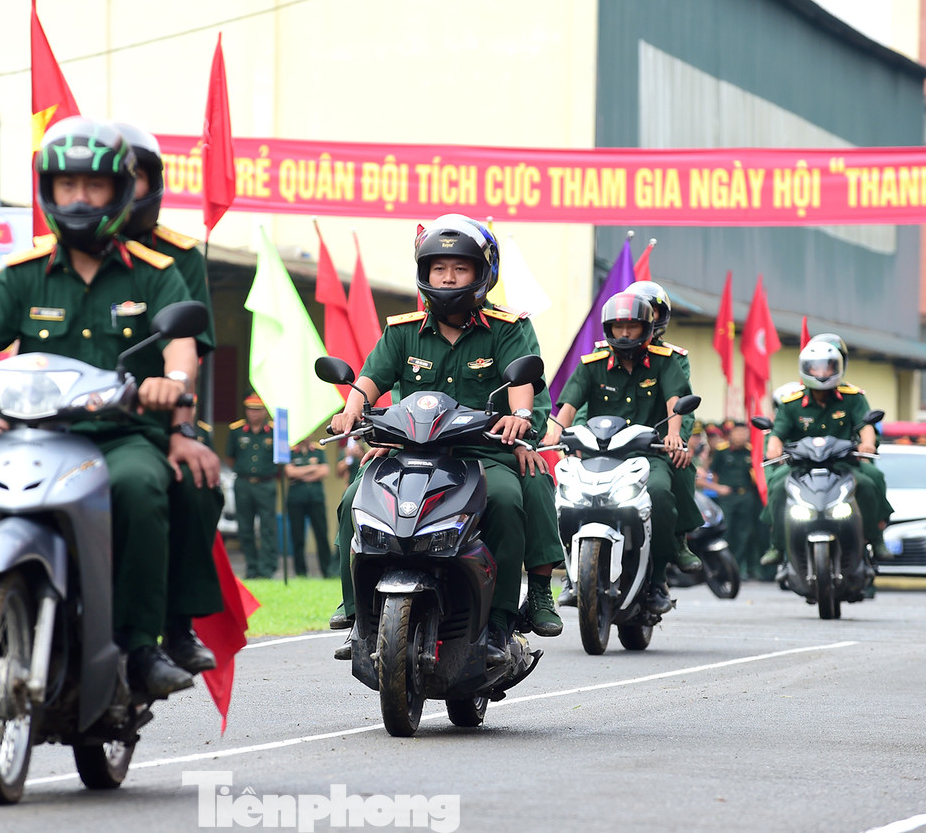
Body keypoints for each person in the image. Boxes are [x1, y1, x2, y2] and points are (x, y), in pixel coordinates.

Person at [0, 117, 198, 701]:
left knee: (143, 488)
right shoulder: (21, 274)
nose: (80, 198)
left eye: (93, 186)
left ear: (119, 192)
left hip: (119, 437)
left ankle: (140, 646)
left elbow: (181, 349)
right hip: (32, 433)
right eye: (68, 187)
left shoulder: (155, 273)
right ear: (49, 192)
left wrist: (173, 382)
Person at [328, 214, 550, 663]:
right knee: (352, 499)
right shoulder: (402, 329)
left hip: (480, 454)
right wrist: (351, 410)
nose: (448, 277)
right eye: (439, 268)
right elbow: (371, 378)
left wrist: (521, 417)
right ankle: (358, 616)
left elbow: (522, 381)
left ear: (482, 274)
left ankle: (505, 621)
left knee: (508, 500)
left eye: (460, 268)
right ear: (424, 273)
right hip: (412, 452)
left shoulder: (508, 328)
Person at [116, 121, 221, 674]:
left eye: (136, 178)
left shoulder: (177, 260)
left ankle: (176, 623)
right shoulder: (49, 257)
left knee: (196, 483)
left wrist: (181, 425)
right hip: (62, 412)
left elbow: (190, 352)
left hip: (150, 415)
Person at [547, 291, 691, 615]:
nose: (624, 334)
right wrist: (556, 434)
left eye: (632, 327)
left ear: (647, 328)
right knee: (566, 497)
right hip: (599, 455)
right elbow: (566, 408)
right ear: (607, 328)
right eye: (618, 326)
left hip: (647, 455)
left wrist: (673, 434)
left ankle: (658, 579)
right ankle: (572, 575)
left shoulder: (664, 362)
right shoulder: (591, 364)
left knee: (660, 494)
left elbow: (675, 403)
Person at [759, 341, 890, 572]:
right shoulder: (792, 401)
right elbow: (777, 433)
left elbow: (865, 425)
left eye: (827, 367)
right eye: (815, 368)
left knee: (872, 480)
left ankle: (876, 539)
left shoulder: (853, 397)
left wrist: (868, 444)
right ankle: (777, 545)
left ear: (837, 368)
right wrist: (774, 448)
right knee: (778, 485)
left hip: (844, 464)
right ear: (805, 369)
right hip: (801, 466)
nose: (821, 373)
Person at [227, 395, 281, 579]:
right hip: (243, 483)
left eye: (257, 409)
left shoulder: (274, 431)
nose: (254, 413)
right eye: (250, 409)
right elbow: (230, 457)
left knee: (267, 527)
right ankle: (251, 568)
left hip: (266, 484)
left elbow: (281, 459)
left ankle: (267, 569)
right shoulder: (236, 431)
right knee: (245, 527)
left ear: (264, 410)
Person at [710, 422, 766, 580]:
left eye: (744, 433)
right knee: (727, 531)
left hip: (746, 496)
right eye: (738, 433)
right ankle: (725, 568)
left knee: (745, 533)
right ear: (731, 434)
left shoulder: (751, 451)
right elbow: (714, 475)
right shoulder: (722, 451)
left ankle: (739, 568)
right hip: (727, 496)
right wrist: (719, 488)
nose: (741, 436)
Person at [285, 438, 332, 578]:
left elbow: (324, 471)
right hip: (296, 500)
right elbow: (289, 472)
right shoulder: (291, 451)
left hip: (316, 499)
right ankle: (300, 572)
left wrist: (300, 473)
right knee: (297, 537)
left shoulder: (318, 450)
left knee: (321, 534)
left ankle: (327, 571)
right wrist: (312, 468)